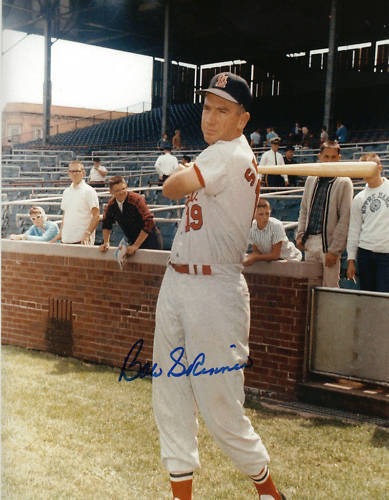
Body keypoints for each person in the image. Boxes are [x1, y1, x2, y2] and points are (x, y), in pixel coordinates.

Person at [152, 72, 285, 500]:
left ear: (242, 119)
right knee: (169, 392)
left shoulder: (229, 154)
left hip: (214, 288)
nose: (210, 117)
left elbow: (173, 187)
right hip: (178, 278)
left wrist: (172, 167)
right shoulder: (223, 154)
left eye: (222, 110)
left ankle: (268, 491)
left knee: (219, 404)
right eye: (207, 108)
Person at [296, 140, 353, 287]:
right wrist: (300, 235)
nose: (330, 160)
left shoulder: (344, 182)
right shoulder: (311, 179)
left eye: (334, 157)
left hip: (328, 244)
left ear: (339, 158)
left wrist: (334, 250)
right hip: (310, 241)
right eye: (326, 156)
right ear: (319, 156)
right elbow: (304, 209)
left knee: (330, 289)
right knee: (310, 289)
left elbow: (345, 219)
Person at [346, 154, 389, 292]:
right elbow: (354, 229)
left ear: (380, 168)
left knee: (384, 298)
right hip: (365, 254)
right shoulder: (359, 198)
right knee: (368, 297)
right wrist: (351, 260)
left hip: (386, 254)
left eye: (369, 167)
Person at [100, 175, 162, 254]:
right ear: (111, 192)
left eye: (123, 189)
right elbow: (106, 223)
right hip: (132, 241)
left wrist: (136, 245)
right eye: (117, 190)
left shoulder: (137, 199)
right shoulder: (111, 204)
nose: (121, 192)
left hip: (151, 241)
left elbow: (149, 221)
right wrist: (106, 242)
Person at [50, 161, 100, 245]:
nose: (74, 174)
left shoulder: (89, 191)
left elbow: (96, 216)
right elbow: (65, 214)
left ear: (83, 172)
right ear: (68, 173)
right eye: (72, 171)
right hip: (66, 240)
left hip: (82, 241)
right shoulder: (66, 191)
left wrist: (87, 234)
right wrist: (60, 234)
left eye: (77, 171)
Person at [243, 199, 301, 266]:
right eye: (261, 214)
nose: (265, 217)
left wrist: (254, 257)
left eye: (267, 213)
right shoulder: (251, 227)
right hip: (273, 261)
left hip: (290, 259)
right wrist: (251, 258)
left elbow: (275, 255)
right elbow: (256, 252)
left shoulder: (276, 225)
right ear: (254, 215)